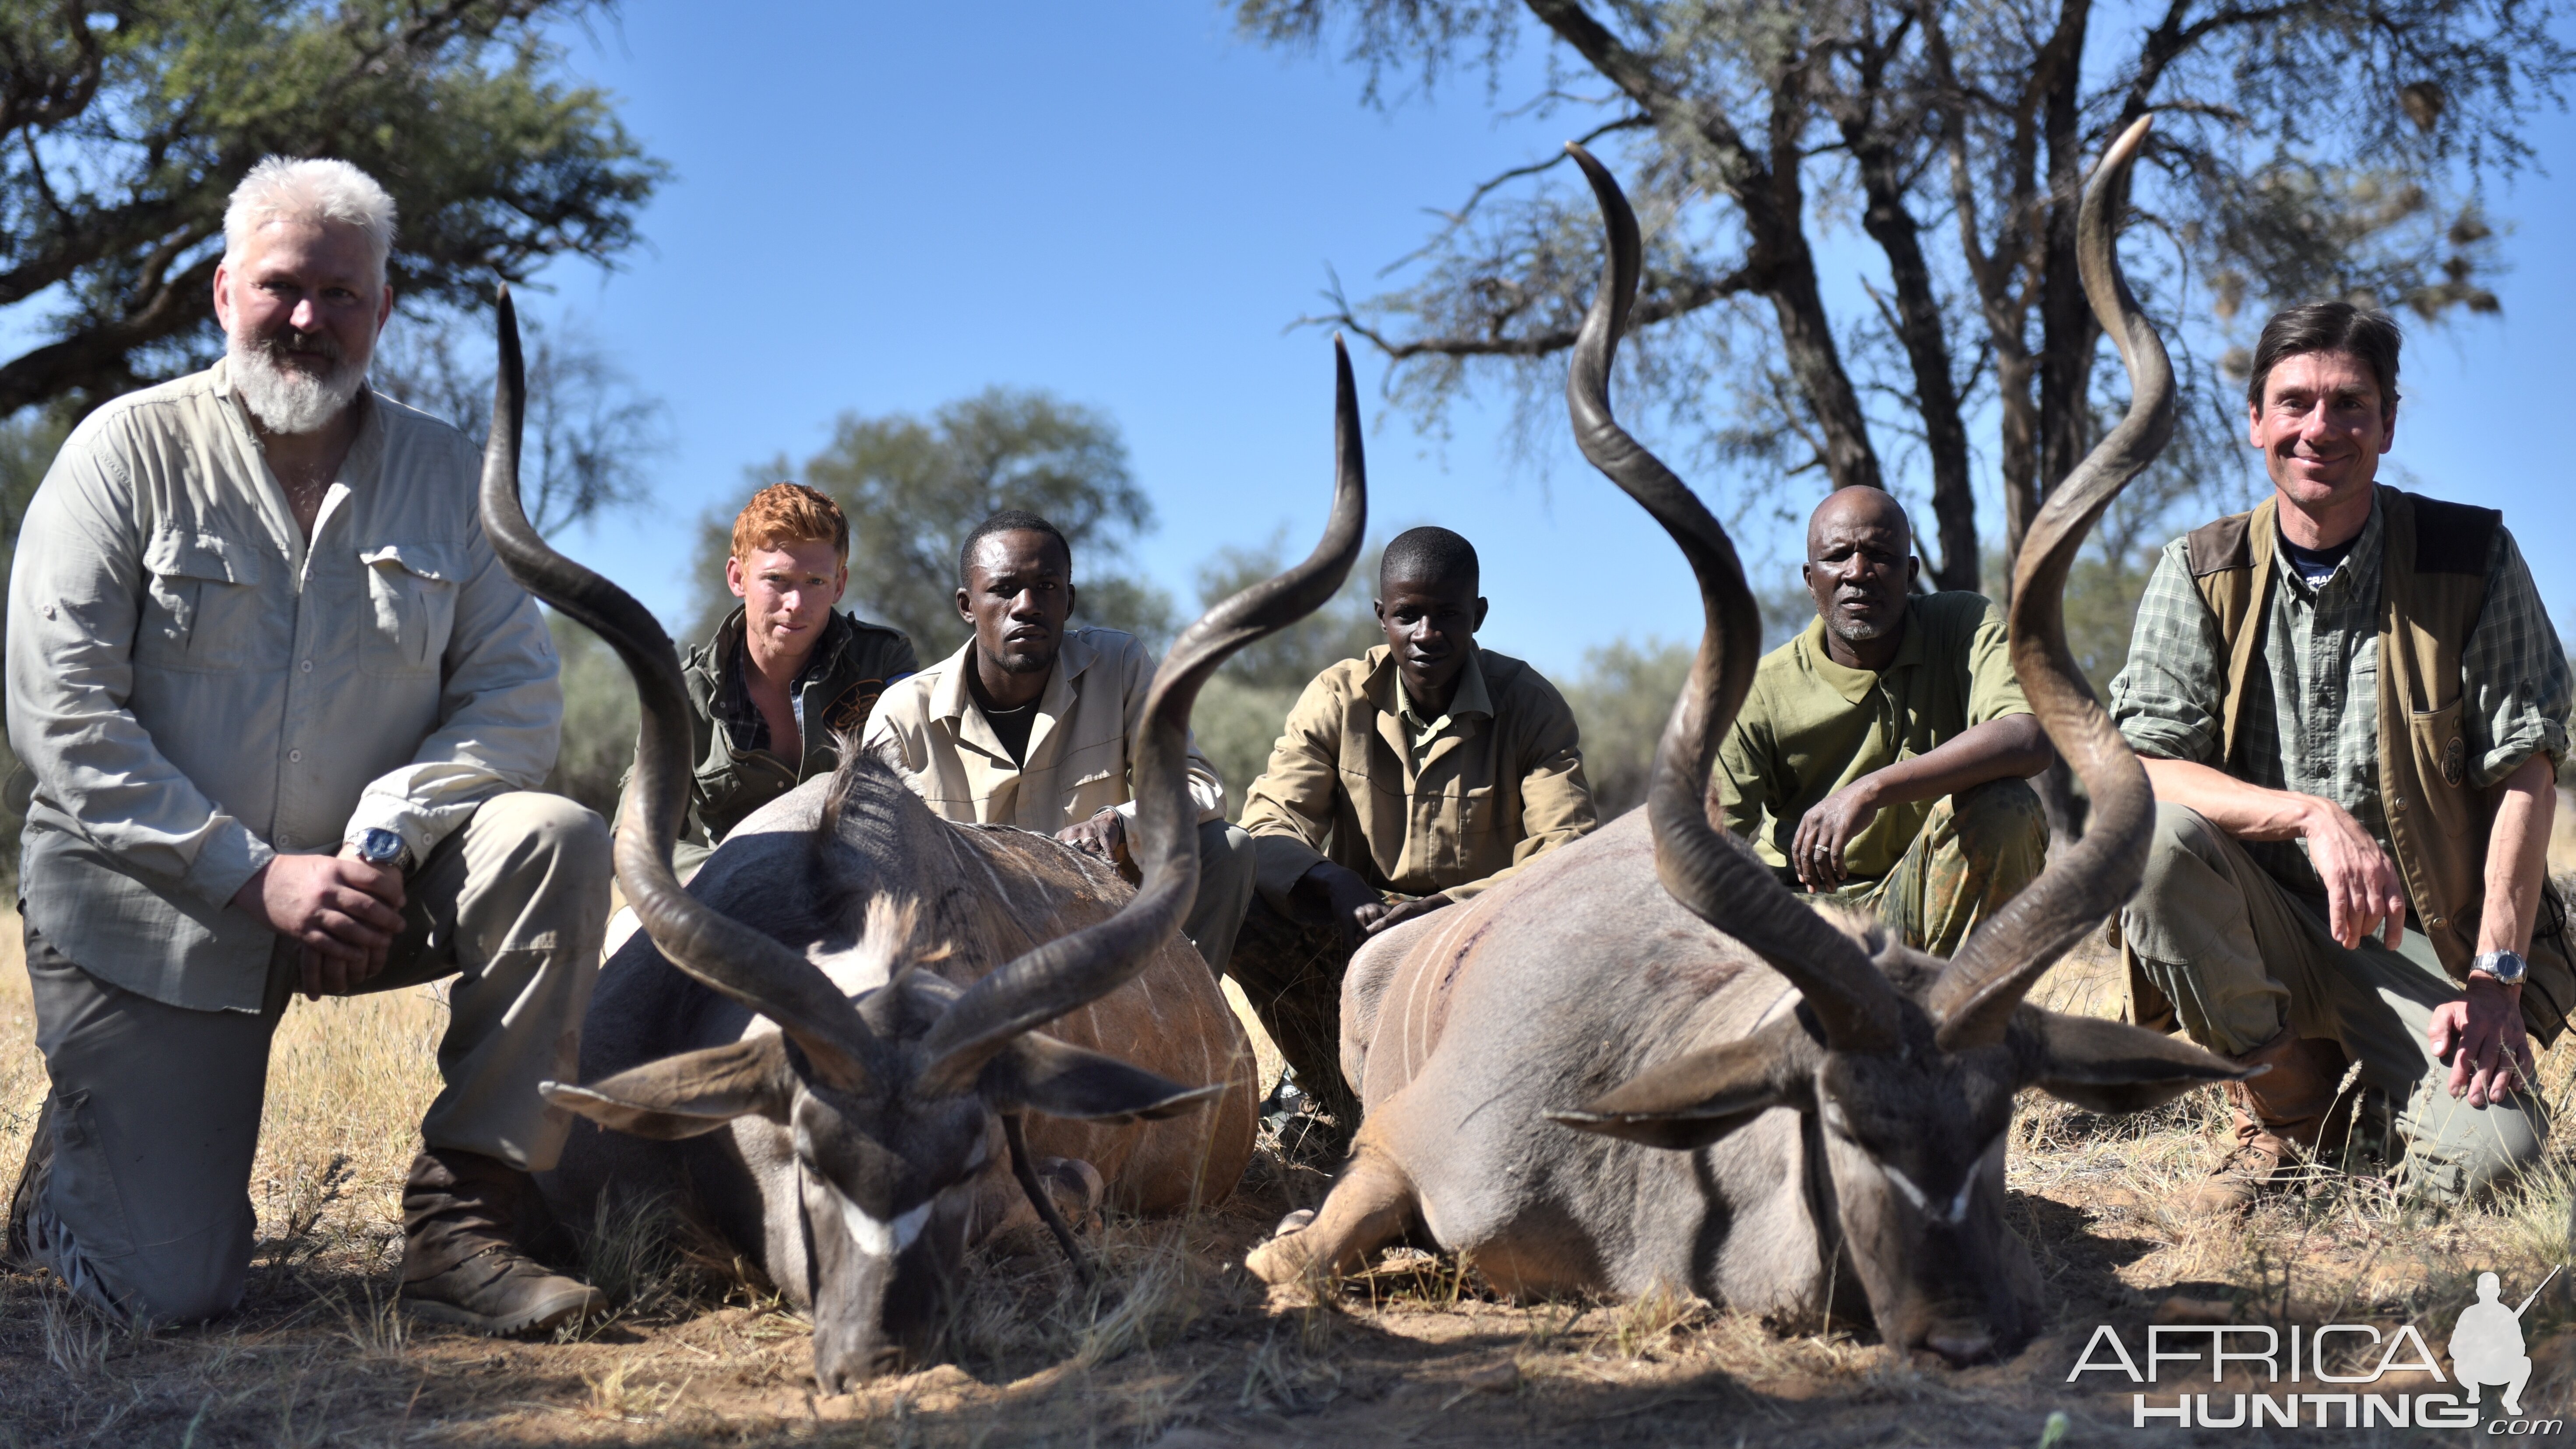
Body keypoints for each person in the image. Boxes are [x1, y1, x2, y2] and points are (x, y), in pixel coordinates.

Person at [0, 158, 611, 1333]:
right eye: (282, 285)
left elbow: (517, 698)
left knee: (554, 836)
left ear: (382, 311)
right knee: (169, 1292)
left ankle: (463, 1216)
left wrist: (384, 838)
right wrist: (256, 873)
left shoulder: (450, 473)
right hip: (157, 913)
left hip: (364, 892)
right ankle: (84, 1158)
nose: (306, 317)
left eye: (341, 294)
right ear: (224, 291)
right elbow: (61, 715)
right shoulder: (122, 451)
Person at [2107, 300, 2571, 1213]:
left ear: (2386, 423)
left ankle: (2375, 1114)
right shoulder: (2198, 569)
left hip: (2424, 954)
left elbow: (2527, 772)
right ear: (2255, 423)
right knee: (2147, 841)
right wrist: (2308, 816)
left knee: (2497, 1168)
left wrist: (2496, 982)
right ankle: (2286, 1109)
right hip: (2259, 932)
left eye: (2348, 404)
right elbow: (2145, 767)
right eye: (2294, 403)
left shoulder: (2469, 556)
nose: (2320, 428)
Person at [1233, 526, 1597, 1130]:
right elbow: (1268, 822)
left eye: (1447, 615)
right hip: (1358, 930)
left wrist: (1448, 908)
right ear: (1381, 616)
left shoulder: (1530, 706)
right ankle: (1329, 1085)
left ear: (1477, 615)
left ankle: (1481, 1101)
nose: (1427, 635)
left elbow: (1569, 852)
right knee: (1240, 886)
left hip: (1479, 940)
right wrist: (1332, 881)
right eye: (1408, 615)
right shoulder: (1336, 697)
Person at [863, 509, 1255, 973]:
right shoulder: (903, 713)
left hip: (1098, 916)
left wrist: (1118, 823)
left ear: (1068, 601)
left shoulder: (1120, 666)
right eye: (1005, 589)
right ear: (967, 606)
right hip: (969, 942)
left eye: (1046, 587)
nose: (1027, 605)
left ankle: (1181, 1027)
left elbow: (1198, 784)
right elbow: (870, 860)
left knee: (1224, 849)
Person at [1717, 487, 2051, 958]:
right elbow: (1708, 837)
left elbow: (2027, 736)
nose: (1857, 572)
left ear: (1910, 573)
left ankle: (1964, 1015)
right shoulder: (1762, 689)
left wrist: (1871, 790)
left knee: (2008, 808)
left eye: (1879, 554)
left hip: (1926, 897)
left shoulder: (1962, 624)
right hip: (1807, 918)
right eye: (1838, 557)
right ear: (1811, 580)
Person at [670, 483, 916, 877]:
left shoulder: (884, 659)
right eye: (777, 580)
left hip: (861, 893)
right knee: (625, 926)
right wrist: (730, 878)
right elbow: (639, 838)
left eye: (815, 582)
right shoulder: (682, 695)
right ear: (738, 578)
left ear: (840, 584)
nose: (796, 604)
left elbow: (927, 789)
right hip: (733, 905)